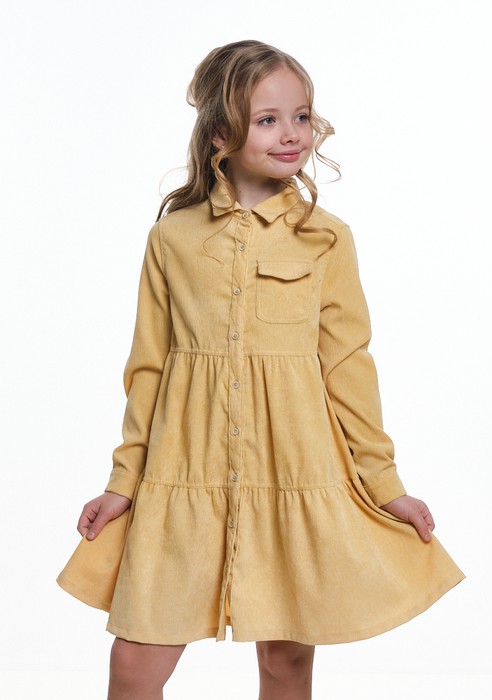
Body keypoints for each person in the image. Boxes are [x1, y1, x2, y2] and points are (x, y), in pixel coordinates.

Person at [65, 40, 464, 700]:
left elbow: (347, 366)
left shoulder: (325, 237)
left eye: (301, 116)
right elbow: (149, 368)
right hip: (182, 474)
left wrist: (383, 481)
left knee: (285, 662)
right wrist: (123, 481)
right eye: (268, 119)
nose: (292, 134)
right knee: (136, 661)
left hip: (293, 470)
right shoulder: (172, 238)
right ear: (220, 133)